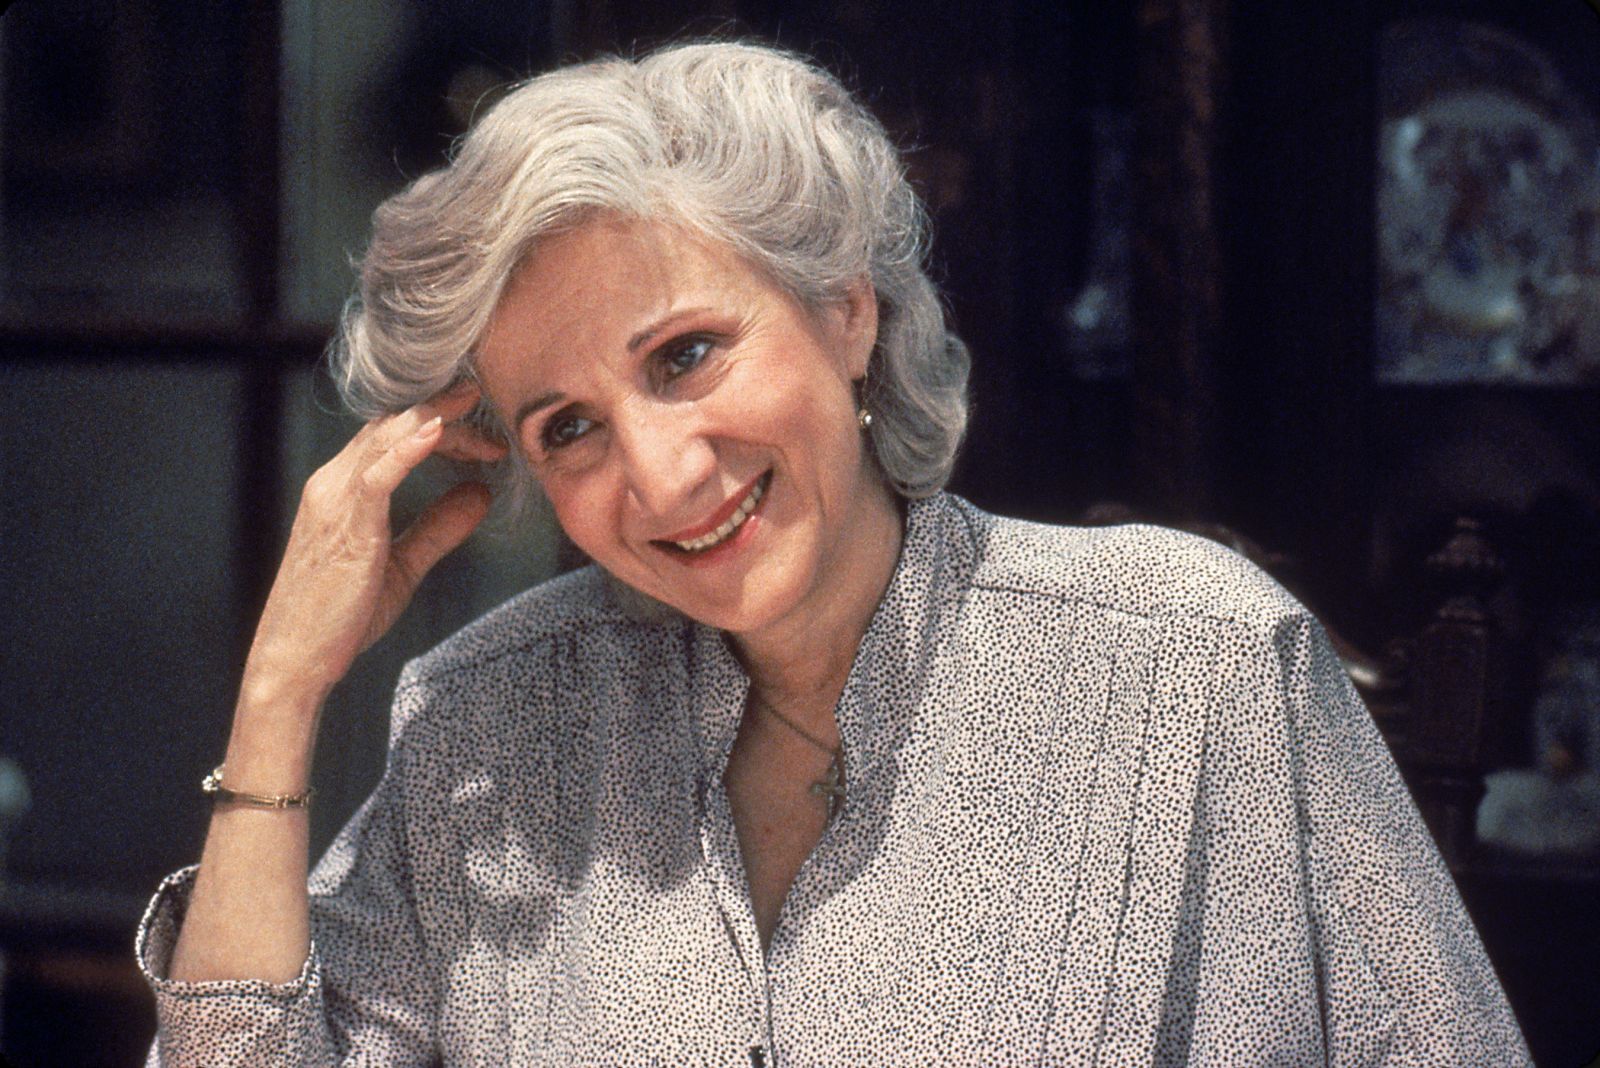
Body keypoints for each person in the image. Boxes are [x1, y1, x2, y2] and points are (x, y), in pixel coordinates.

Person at [137, 41, 1530, 1066]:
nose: (662, 475)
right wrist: (280, 693)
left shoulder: (1196, 660)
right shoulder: (492, 723)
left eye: (686, 354)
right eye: (570, 428)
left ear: (847, 313)